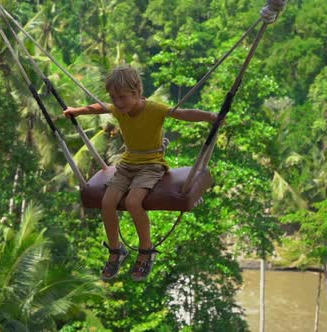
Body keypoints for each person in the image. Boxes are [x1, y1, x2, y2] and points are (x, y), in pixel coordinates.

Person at [64, 65, 218, 281]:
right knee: (107, 202)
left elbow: (182, 113)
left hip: (151, 164)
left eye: (122, 97)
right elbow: (98, 108)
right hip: (127, 164)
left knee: (133, 202)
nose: (117, 103)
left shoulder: (154, 109)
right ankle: (116, 250)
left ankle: (146, 250)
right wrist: (76, 111)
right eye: (114, 98)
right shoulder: (119, 109)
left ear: (137, 91)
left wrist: (211, 116)